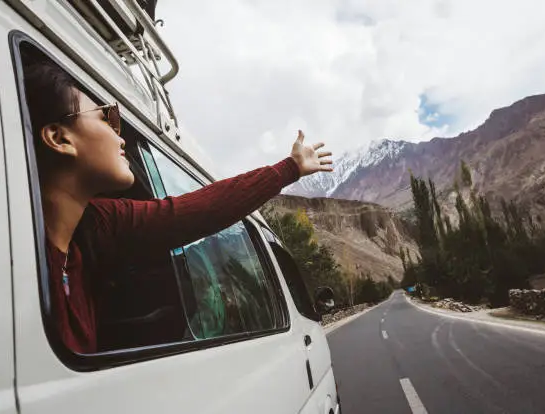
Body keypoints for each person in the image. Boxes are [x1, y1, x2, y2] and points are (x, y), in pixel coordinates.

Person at [23, 58, 333, 354]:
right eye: (105, 117)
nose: (120, 137)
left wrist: (290, 168)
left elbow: (200, 210)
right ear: (58, 137)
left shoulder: (97, 223)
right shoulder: (18, 260)